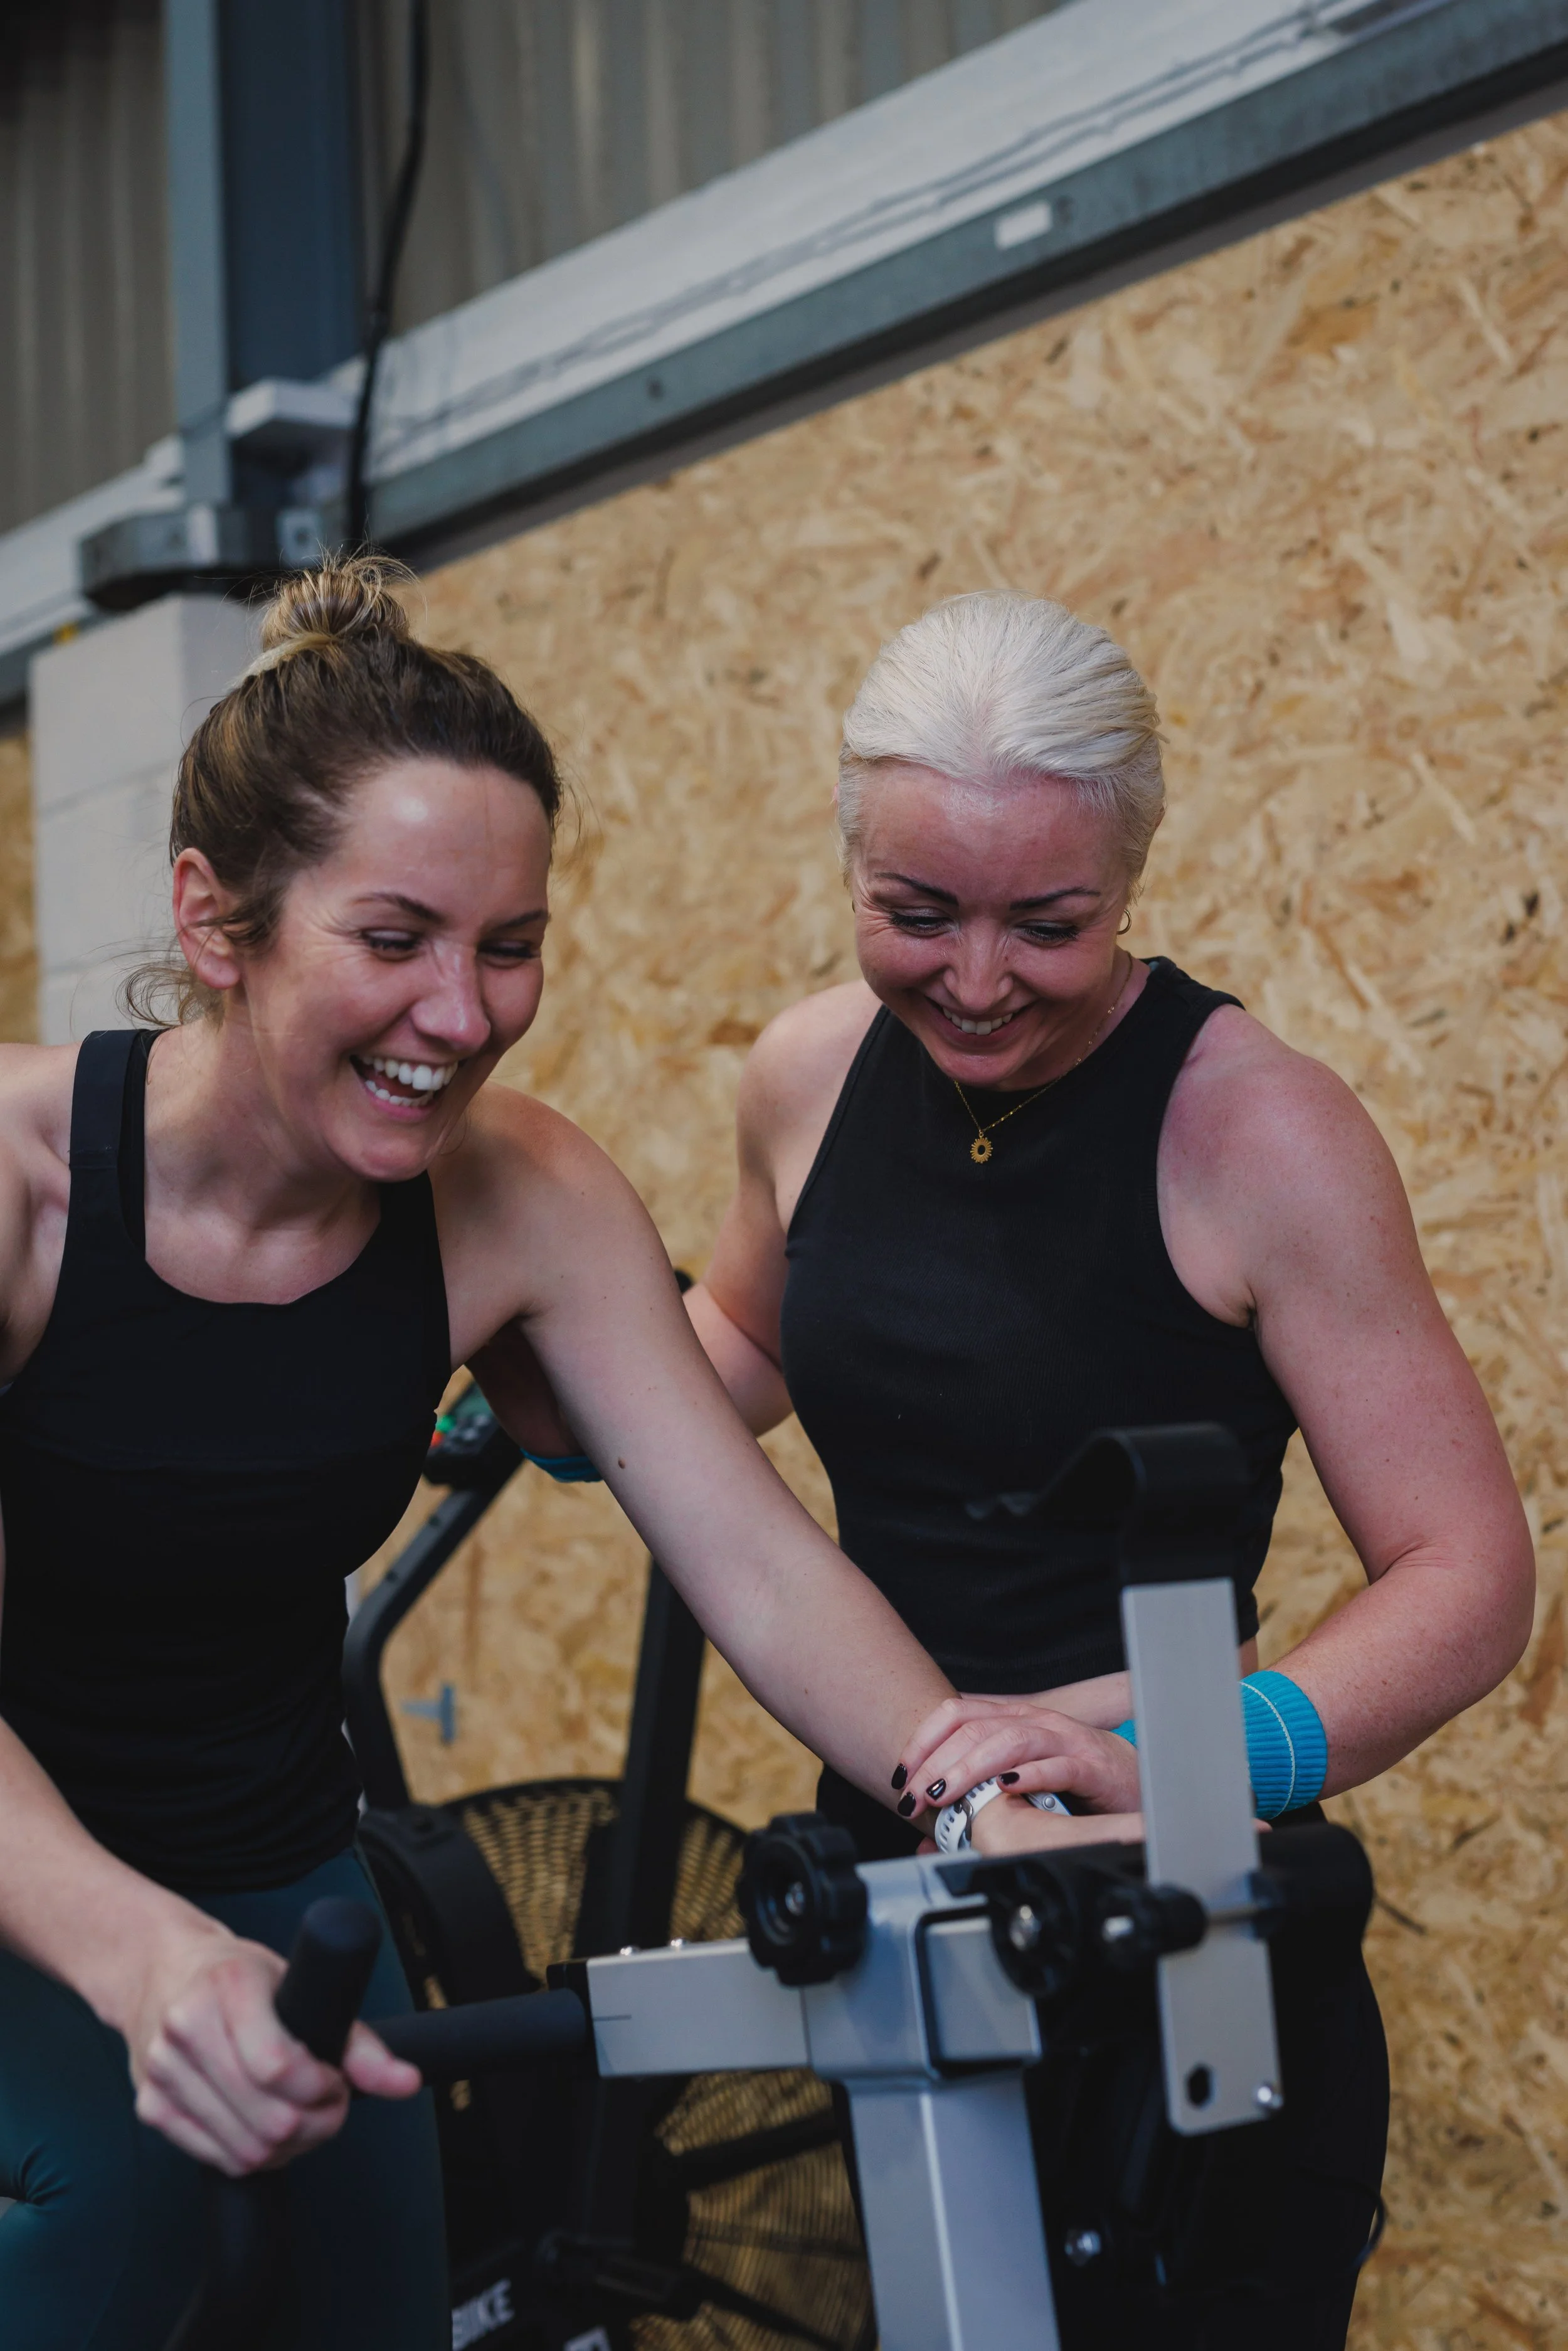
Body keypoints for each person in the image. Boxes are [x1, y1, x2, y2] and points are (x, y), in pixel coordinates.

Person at [0, 560, 1018, 2351]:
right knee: (107, 2229)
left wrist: (967, 1791)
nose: (461, 1015)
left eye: (510, 944)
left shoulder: (518, 1196)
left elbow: (751, 1554)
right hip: (27, 1859)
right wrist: (134, 1952)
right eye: (393, 939)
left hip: (281, 1863)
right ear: (215, 918)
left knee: (378, 2293)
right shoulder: (24, 1188)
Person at [683, 590, 1535, 2345]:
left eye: (1046, 923)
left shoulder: (1255, 1128)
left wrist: (1165, 1757)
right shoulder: (805, 1077)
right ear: (849, 861)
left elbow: (1466, 1576)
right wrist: (517, 1374)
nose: (976, 980)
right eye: (913, 913)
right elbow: (749, 1344)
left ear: (1128, 877)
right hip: (896, 1896)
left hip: (1176, 1893)